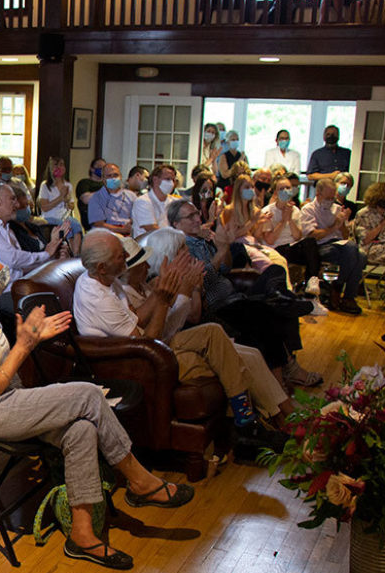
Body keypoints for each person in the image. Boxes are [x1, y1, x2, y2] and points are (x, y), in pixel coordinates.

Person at [0, 238, 193, 569]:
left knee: (81, 429)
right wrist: (24, 346)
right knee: (88, 394)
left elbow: (0, 370)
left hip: (3, 400)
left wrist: (31, 341)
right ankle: (138, 481)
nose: (0, 270)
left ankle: (83, 537)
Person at [76, 229, 266, 429]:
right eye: (120, 255)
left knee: (212, 331)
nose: (126, 256)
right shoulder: (97, 297)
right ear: (102, 267)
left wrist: (163, 290)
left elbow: (136, 318)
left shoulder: (107, 279)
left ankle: (245, 419)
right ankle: (246, 420)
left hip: (145, 344)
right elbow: (146, 343)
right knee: (221, 360)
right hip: (132, 361)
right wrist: (162, 298)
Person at [168, 198, 322, 388]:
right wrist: (221, 250)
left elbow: (227, 267)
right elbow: (200, 280)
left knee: (275, 270)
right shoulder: (179, 247)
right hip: (219, 306)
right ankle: (285, 373)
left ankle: (280, 298)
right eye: (190, 216)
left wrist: (223, 245)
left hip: (234, 296)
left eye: (196, 214)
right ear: (176, 224)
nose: (197, 219)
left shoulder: (204, 238)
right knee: (268, 311)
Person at [0, 183, 69, 343]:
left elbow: (22, 266)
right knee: (49, 310)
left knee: (60, 302)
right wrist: (47, 253)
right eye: (12, 199)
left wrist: (53, 259)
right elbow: (12, 258)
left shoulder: (6, 228)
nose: (17, 205)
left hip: (16, 288)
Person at [301, 178, 366, 314]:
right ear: (318, 194)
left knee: (361, 255)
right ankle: (339, 289)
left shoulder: (336, 208)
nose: (331, 201)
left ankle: (347, 295)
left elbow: (345, 236)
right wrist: (333, 227)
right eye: (328, 197)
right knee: (351, 250)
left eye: (333, 197)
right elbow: (313, 235)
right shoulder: (309, 210)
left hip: (339, 244)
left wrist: (342, 223)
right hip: (320, 246)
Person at [257, 174, 323, 299]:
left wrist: (290, 219)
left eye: (288, 188)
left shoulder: (295, 210)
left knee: (310, 242)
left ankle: (312, 284)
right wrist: (283, 221)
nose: (285, 191)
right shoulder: (267, 211)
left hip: (292, 246)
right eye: (281, 189)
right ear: (276, 191)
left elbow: (297, 236)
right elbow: (270, 239)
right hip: (276, 248)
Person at [37, 156, 82, 255]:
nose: (59, 167)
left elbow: (71, 205)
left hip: (64, 216)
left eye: (61, 165)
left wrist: (68, 202)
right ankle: (69, 251)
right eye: (55, 165)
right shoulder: (45, 186)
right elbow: (44, 207)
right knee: (65, 226)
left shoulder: (68, 185)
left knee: (76, 224)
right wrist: (60, 197)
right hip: (49, 217)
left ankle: (76, 253)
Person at [354, 182, 385, 266]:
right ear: (378, 197)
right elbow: (366, 240)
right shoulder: (364, 214)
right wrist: (384, 222)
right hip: (370, 249)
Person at [87, 163, 135, 236]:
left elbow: (137, 217)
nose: (113, 178)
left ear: (121, 177)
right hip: (105, 235)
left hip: (129, 234)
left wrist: (130, 225)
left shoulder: (131, 196)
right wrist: (122, 230)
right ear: (103, 179)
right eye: (109, 176)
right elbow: (99, 224)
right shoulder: (96, 198)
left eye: (116, 175)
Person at [131, 164, 177, 238]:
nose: (171, 183)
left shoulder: (174, 201)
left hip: (170, 244)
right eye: (168, 179)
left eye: (173, 180)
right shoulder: (143, 201)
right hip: (147, 246)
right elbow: (152, 229)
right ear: (155, 179)